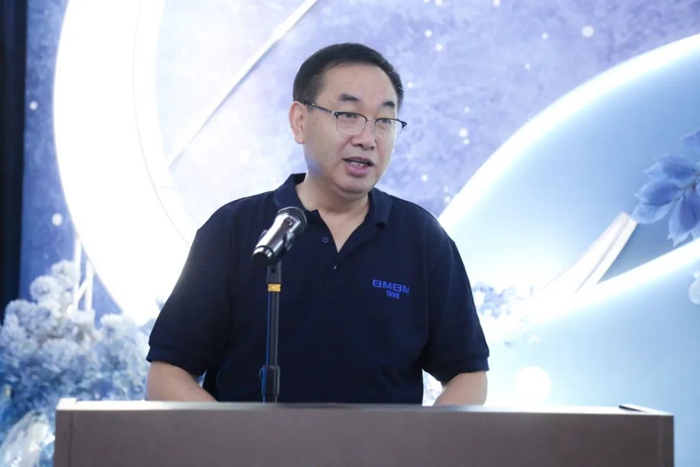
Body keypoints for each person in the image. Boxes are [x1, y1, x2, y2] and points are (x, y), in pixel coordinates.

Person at [145, 42, 489, 405]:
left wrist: (421, 440)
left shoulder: (421, 238)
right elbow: (168, 375)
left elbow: (467, 374)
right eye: (348, 115)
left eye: (385, 122)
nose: (367, 139)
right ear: (300, 121)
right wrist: (236, 439)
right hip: (251, 444)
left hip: (384, 445)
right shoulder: (233, 230)